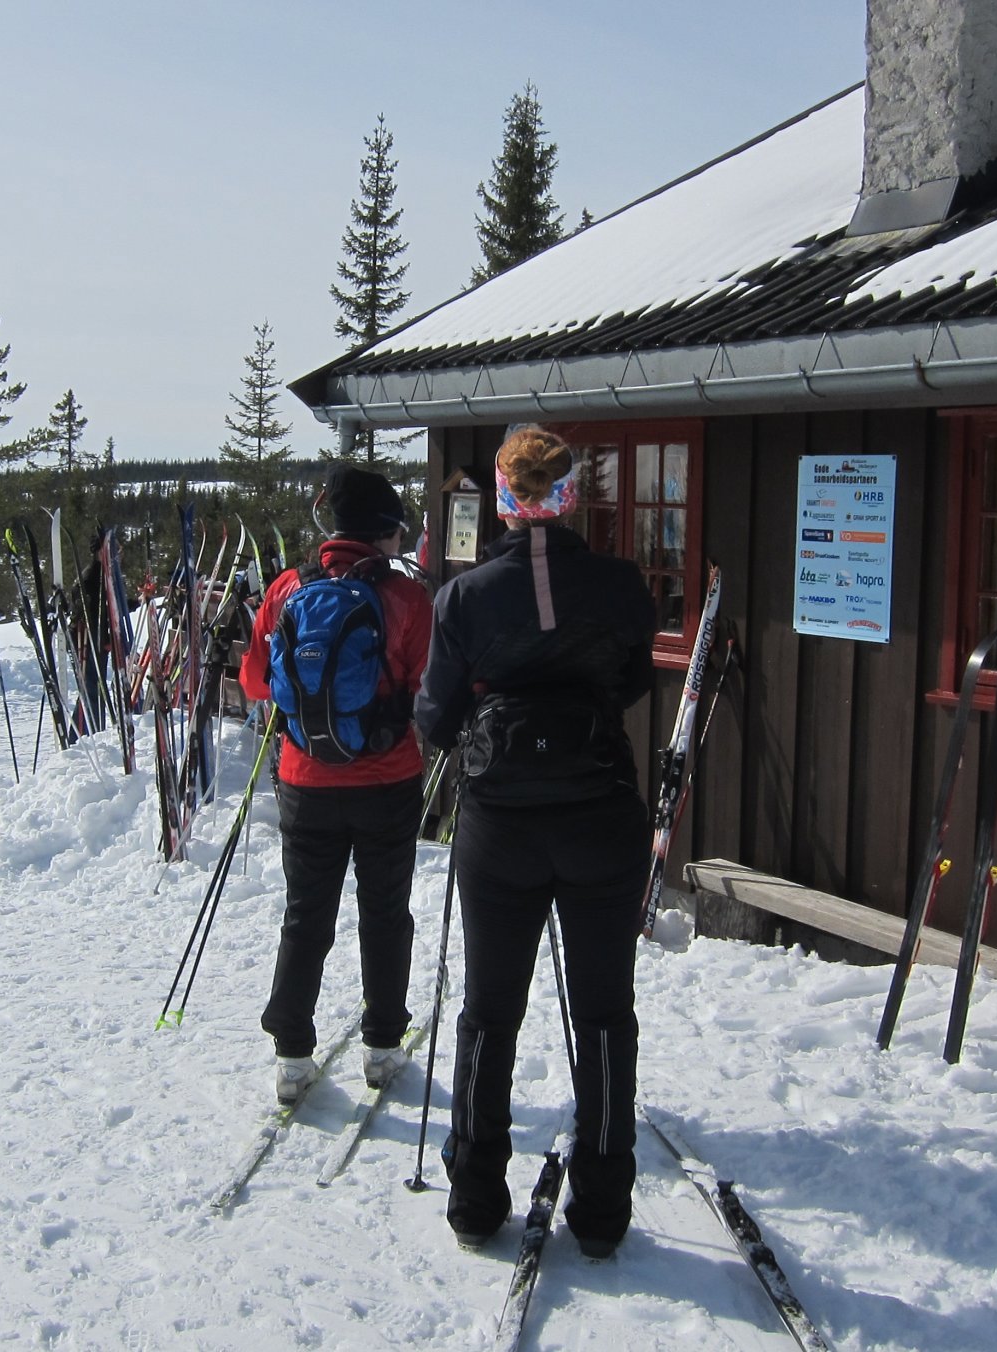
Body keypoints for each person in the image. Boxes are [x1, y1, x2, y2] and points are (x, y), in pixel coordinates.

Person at [414, 425, 657, 1258]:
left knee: (490, 1012)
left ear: (505, 497)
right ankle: (602, 1207)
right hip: (600, 813)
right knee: (602, 1015)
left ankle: (476, 1196)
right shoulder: (619, 584)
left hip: (502, 825)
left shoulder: (466, 597)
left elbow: (438, 718)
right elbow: (631, 680)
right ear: (570, 494)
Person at [238, 466, 432, 1103]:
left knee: (306, 914)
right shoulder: (406, 599)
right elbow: (427, 686)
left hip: (305, 779)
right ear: (382, 530)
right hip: (388, 780)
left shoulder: (289, 587)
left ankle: (292, 1055)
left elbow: (256, 683)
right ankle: (382, 1047)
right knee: (384, 912)